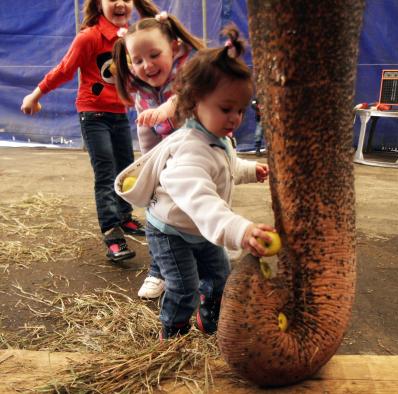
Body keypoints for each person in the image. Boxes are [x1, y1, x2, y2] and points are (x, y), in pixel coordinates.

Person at [115, 25, 277, 339]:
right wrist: (239, 230)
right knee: (183, 287)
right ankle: (173, 331)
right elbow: (200, 198)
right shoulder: (189, 147)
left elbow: (222, 168)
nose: (235, 118)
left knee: (220, 277)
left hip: (200, 228)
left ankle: (209, 318)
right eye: (226, 109)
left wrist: (246, 170)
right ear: (195, 102)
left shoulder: (216, 137)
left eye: (241, 110)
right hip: (172, 230)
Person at [20, 0, 147, 264]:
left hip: (120, 114)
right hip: (94, 115)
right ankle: (112, 236)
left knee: (125, 168)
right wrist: (35, 95)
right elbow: (65, 69)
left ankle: (124, 217)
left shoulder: (129, 36)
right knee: (105, 172)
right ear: (99, 4)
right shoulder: (89, 37)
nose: (121, 3)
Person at [112, 5, 205, 299]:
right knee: (158, 217)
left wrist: (166, 108)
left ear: (174, 47)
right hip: (165, 159)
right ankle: (159, 271)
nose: (147, 65)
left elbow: (187, 96)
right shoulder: (137, 85)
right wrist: (149, 171)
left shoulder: (189, 69)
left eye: (154, 55)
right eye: (137, 60)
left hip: (197, 156)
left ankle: (206, 267)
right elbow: (145, 131)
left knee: (199, 212)